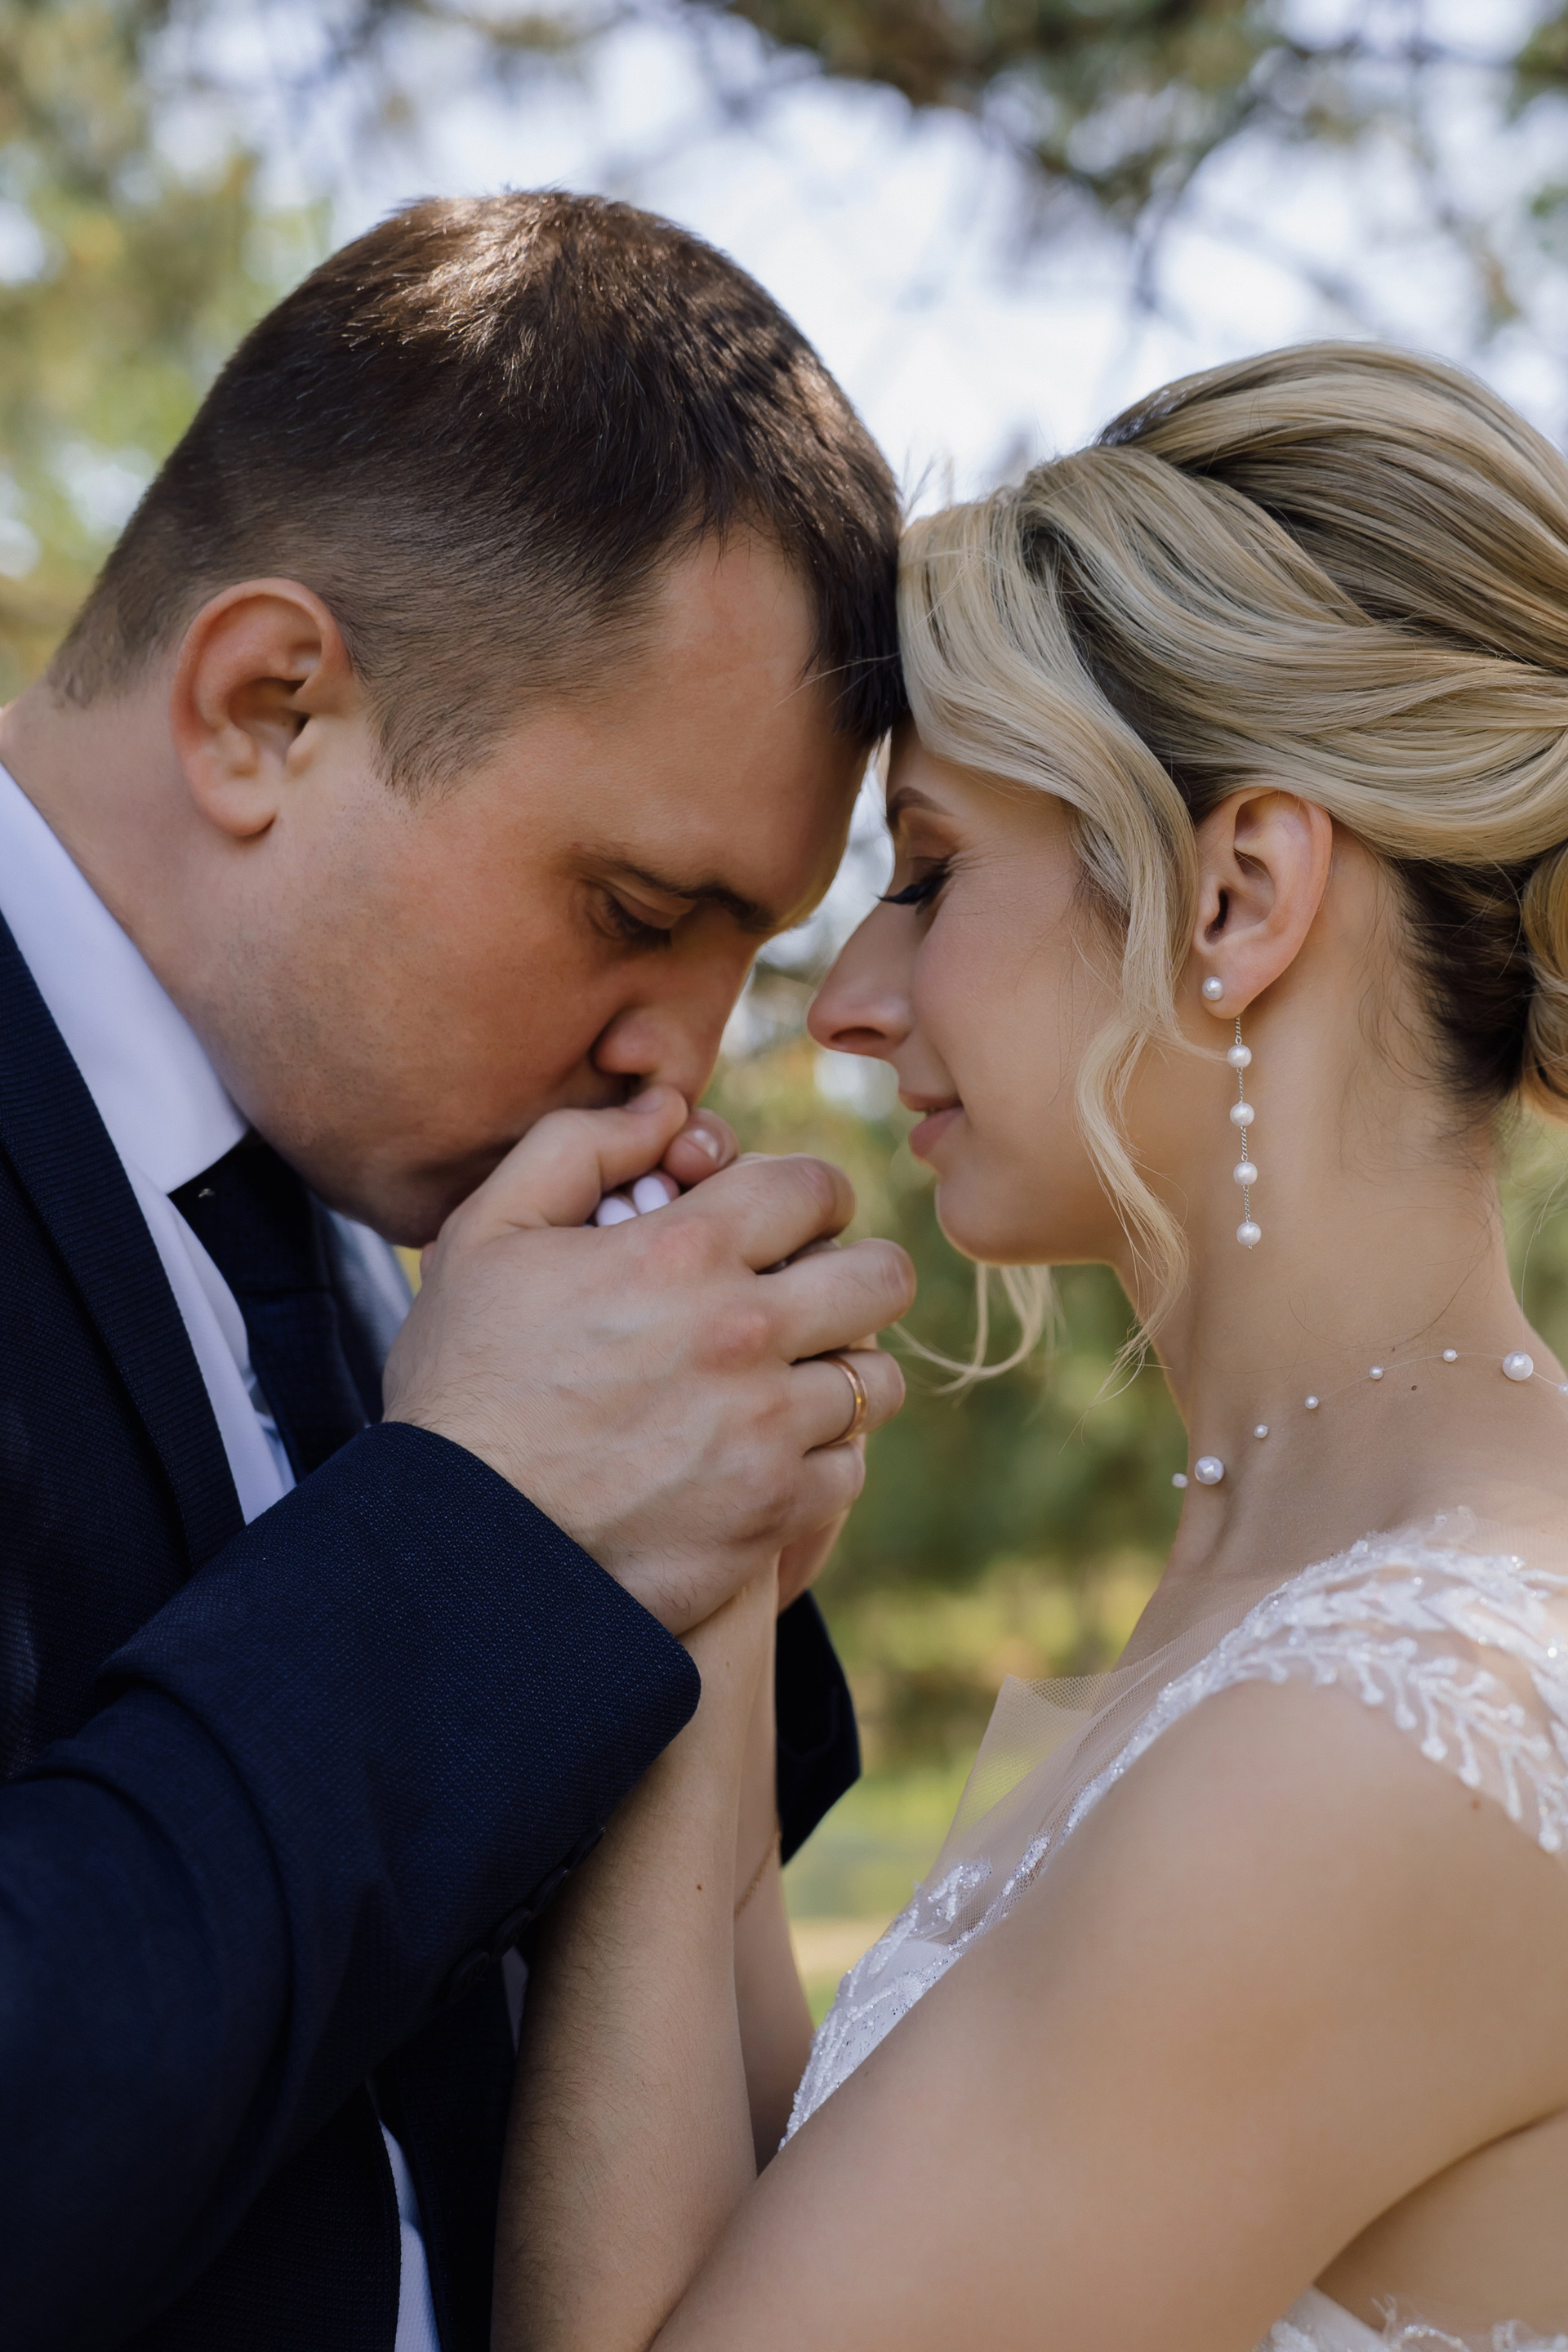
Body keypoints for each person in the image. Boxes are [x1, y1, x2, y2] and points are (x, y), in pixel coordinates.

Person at [494, 344, 1568, 2350]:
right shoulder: (1311, 1603)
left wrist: (650, 1592)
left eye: (928, 874)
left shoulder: (1393, 1729)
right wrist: (706, 1590)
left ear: (1235, 898)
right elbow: (818, 2240)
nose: (848, 1001)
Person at [0, 191, 917, 2352]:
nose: (684, 1057)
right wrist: (484, 1543)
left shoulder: (377, 1204)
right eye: (636, 912)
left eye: (749, 953)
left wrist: (680, 1550)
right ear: (265, 708)